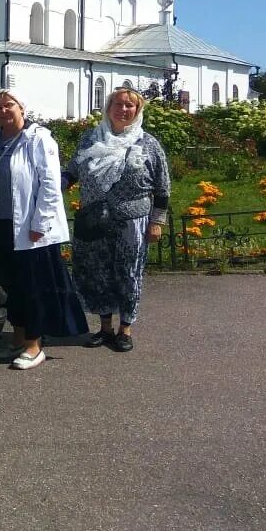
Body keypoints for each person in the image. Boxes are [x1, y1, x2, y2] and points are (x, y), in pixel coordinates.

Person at [0, 90, 87, 370]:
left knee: (34, 287)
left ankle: (34, 344)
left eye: (9, 105)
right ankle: (18, 339)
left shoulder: (38, 138)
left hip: (30, 231)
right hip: (1, 225)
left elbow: (51, 184)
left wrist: (40, 224)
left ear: (22, 108)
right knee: (12, 286)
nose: (4, 111)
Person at [64, 87, 170, 353]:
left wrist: (157, 222)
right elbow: (73, 171)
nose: (124, 110)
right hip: (95, 220)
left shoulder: (147, 144)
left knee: (128, 273)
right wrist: (52, 185)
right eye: (119, 104)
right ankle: (104, 327)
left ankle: (125, 328)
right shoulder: (91, 139)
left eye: (130, 106)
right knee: (98, 272)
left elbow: (162, 188)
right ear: (108, 108)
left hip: (131, 221)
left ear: (137, 111)